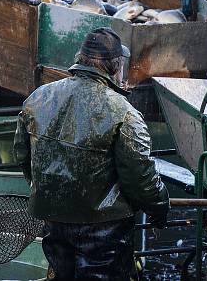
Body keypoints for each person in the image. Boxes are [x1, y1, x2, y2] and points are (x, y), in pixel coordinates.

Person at [14, 27, 169, 280]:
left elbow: (22, 154)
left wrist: (48, 192)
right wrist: (159, 206)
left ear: (79, 59)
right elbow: (139, 177)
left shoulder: (38, 97)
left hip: (54, 219)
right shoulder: (124, 112)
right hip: (104, 229)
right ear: (116, 66)